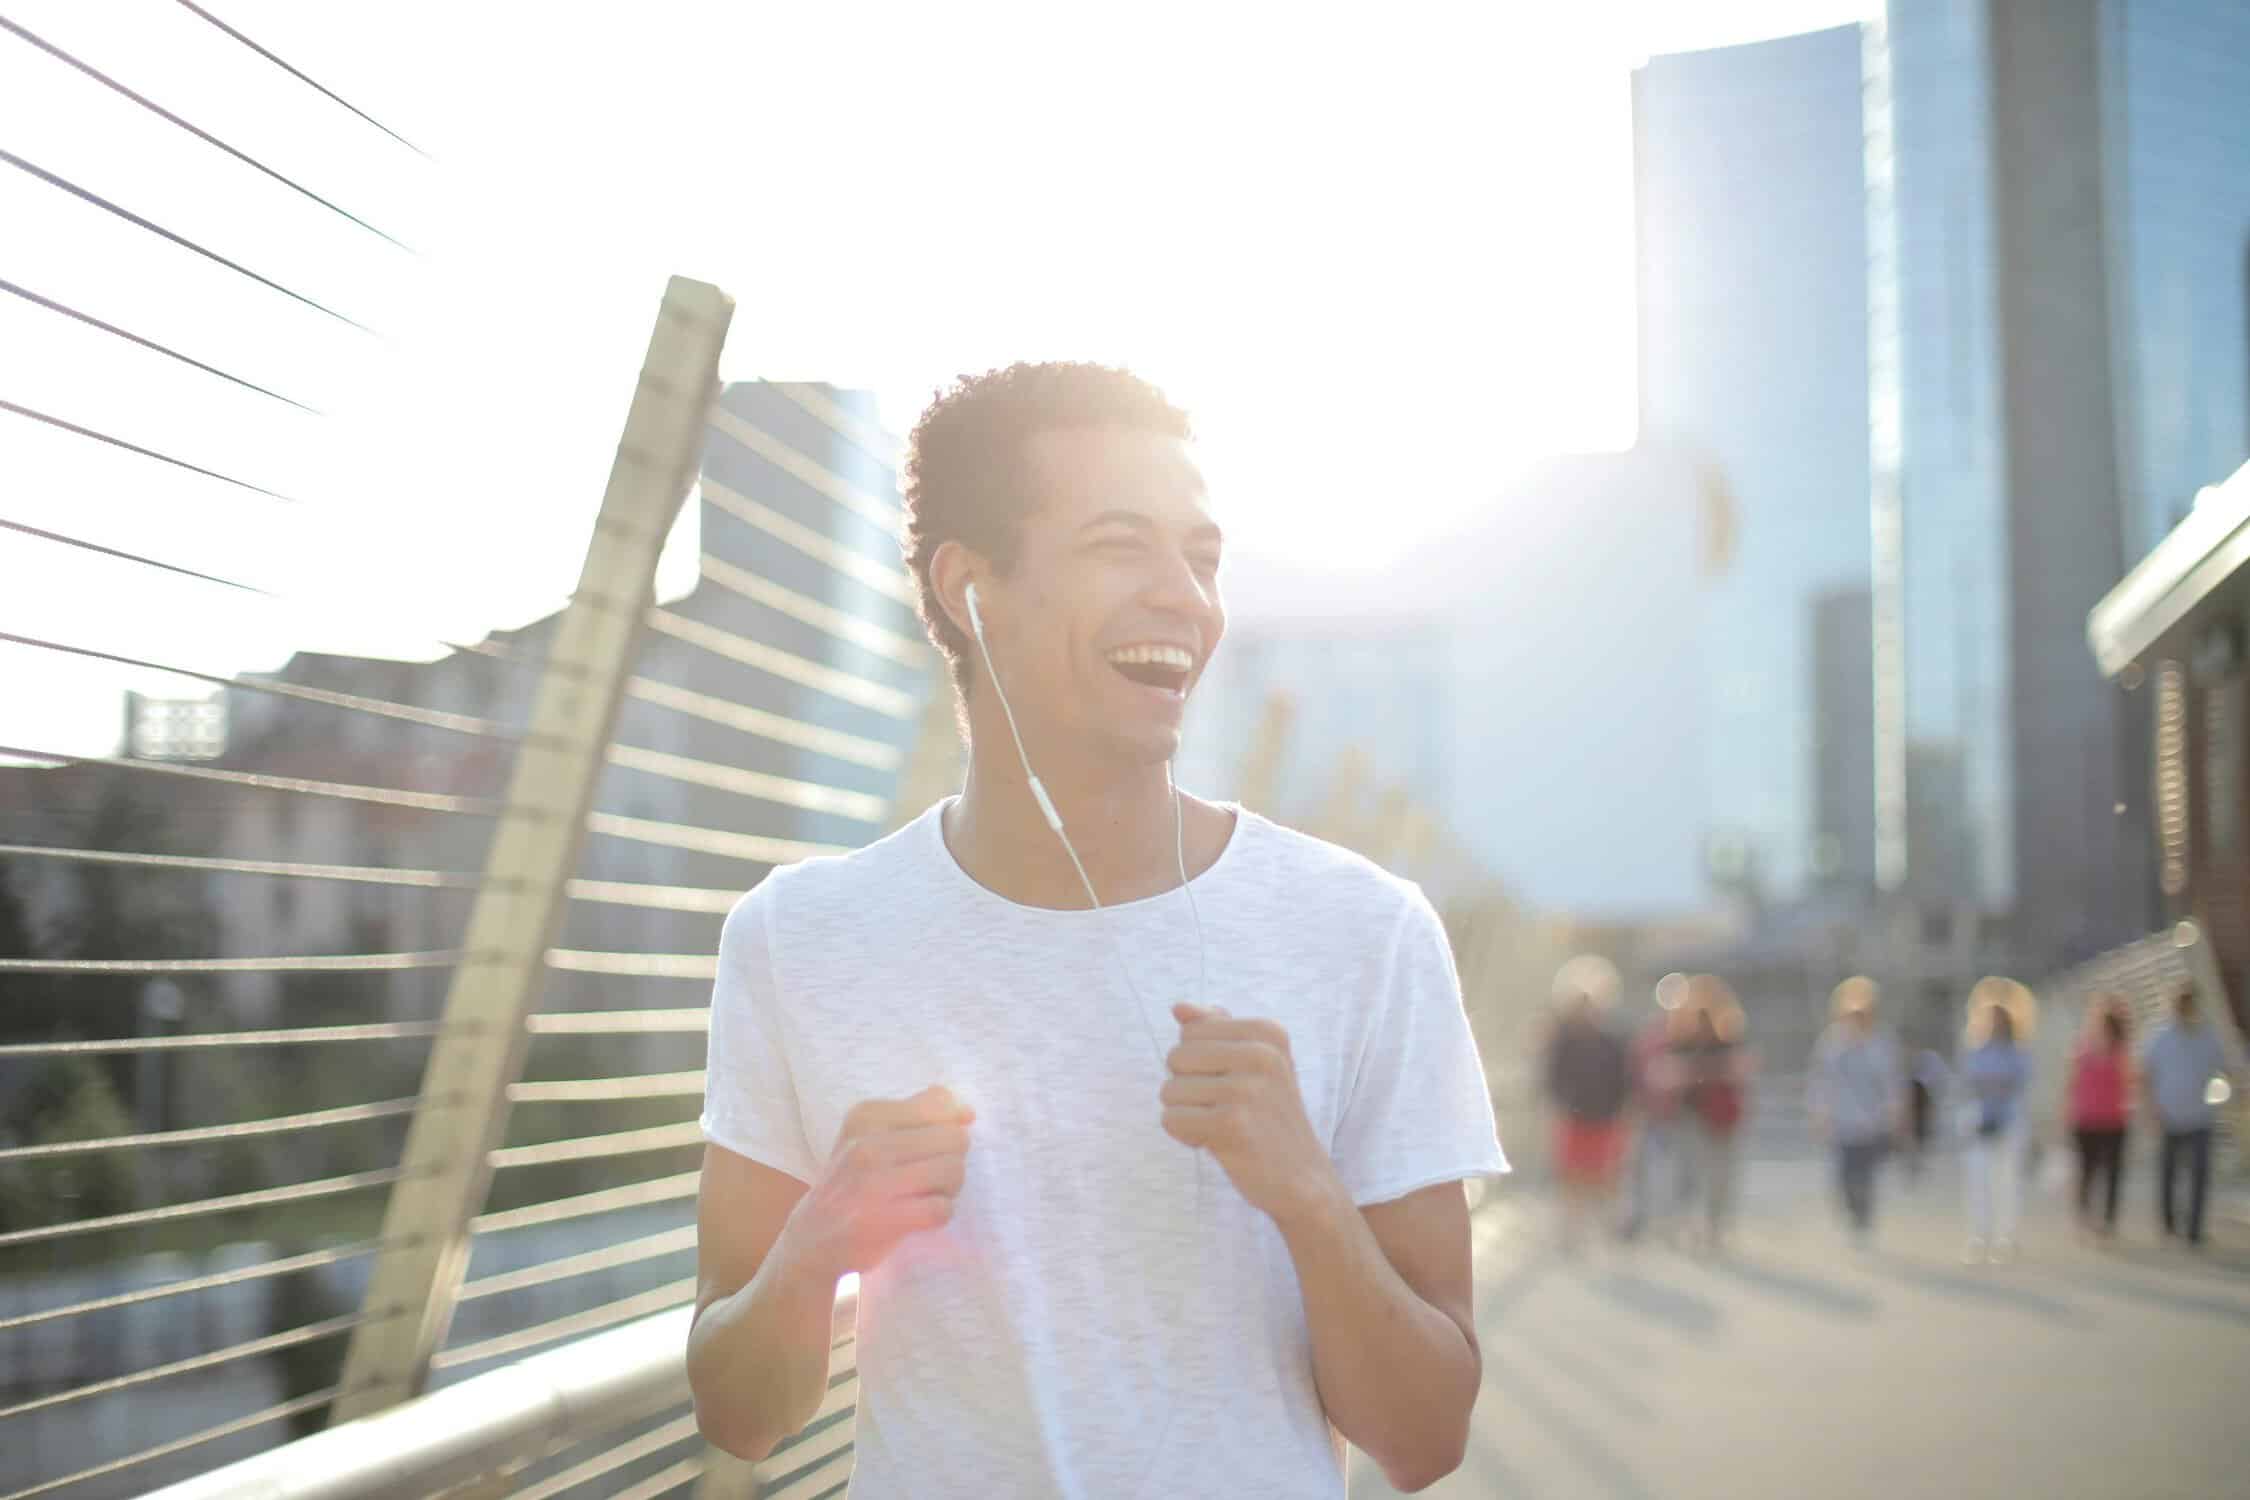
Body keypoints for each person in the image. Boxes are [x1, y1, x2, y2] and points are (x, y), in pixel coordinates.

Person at [688, 364, 1506, 1495]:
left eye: (1204, 558)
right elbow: (739, 1414)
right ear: (971, 589)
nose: (1187, 597)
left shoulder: (1364, 932)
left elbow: (1426, 1443)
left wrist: (1310, 1201)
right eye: (1123, 545)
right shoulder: (798, 938)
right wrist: (817, 1244)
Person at [1541, 956, 1632, 1253]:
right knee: (1572, 1178)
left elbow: (1624, 1081)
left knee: (1605, 1178)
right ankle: (1572, 1234)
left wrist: (1623, 1113)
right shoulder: (1561, 1040)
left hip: (1605, 1118)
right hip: (1575, 1118)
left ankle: (1607, 1230)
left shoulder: (1612, 1041)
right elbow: (1551, 1078)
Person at [1808, 977, 1900, 1244]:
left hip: (1871, 1122)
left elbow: (1891, 1082)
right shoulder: (1832, 1043)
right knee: (1844, 1176)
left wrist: (1894, 1113)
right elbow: (1820, 1082)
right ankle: (1851, 1212)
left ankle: (1864, 1218)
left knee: (1866, 1175)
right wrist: (1819, 1113)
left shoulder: (1881, 1043)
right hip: (1841, 1121)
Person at [2142, 987, 2232, 1249]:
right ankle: (2169, 1225)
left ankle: (2194, 1229)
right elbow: (2147, 1074)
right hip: (2169, 1114)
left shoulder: (2208, 1037)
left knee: (2199, 1174)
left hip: (2200, 1115)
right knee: (2168, 1173)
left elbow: (2224, 1070)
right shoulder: (2160, 1038)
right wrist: (2151, 1109)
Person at [1673, 975, 1754, 1253]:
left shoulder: (1729, 1038)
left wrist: (1700, 1070)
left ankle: (1714, 1226)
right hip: (1692, 1115)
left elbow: (1740, 1070)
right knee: (1691, 1173)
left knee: (1720, 1175)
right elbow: (1673, 1073)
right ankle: (1692, 1224)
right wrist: (1710, 1070)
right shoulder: (1682, 1039)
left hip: (1722, 1118)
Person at [1959, 979, 2036, 1265]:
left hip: (2010, 1120)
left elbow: (2019, 1083)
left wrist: (1997, 1087)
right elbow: (1971, 1082)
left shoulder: (2018, 1052)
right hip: (1981, 1121)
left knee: (2007, 1182)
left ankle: (2006, 1237)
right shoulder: (1976, 1050)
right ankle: (1979, 1236)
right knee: (1980, 1182)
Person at [1618, 974, 1691, 1243]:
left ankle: (1673, 1224)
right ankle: (1639, 1221)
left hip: (1681, 1115)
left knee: (1677, 1173)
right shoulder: (1648, 1037)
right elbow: (1634, 1075)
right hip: (1651, 1114)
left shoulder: (1689, 1036)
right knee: (1644, 1171)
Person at [2065, 994, 2134, 1242]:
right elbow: (2071, 1083)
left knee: (2113, 1173)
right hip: (2086, 1120)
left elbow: (2129, 1083)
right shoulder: (2082, 1049)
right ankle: (2084, 1218)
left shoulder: (2121, 1052)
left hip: (2114, 1120)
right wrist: (2066, 1114)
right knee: (2087, 1172)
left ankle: (2108, 1221)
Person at [1903, 1042, 1950, 1182]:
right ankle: (1913, 1168)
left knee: (1922, 1138)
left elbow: (1933, 1085)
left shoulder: (1929, 1059)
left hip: (1922, 1105)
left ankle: (1919, 1167)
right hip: (1911, 1107)